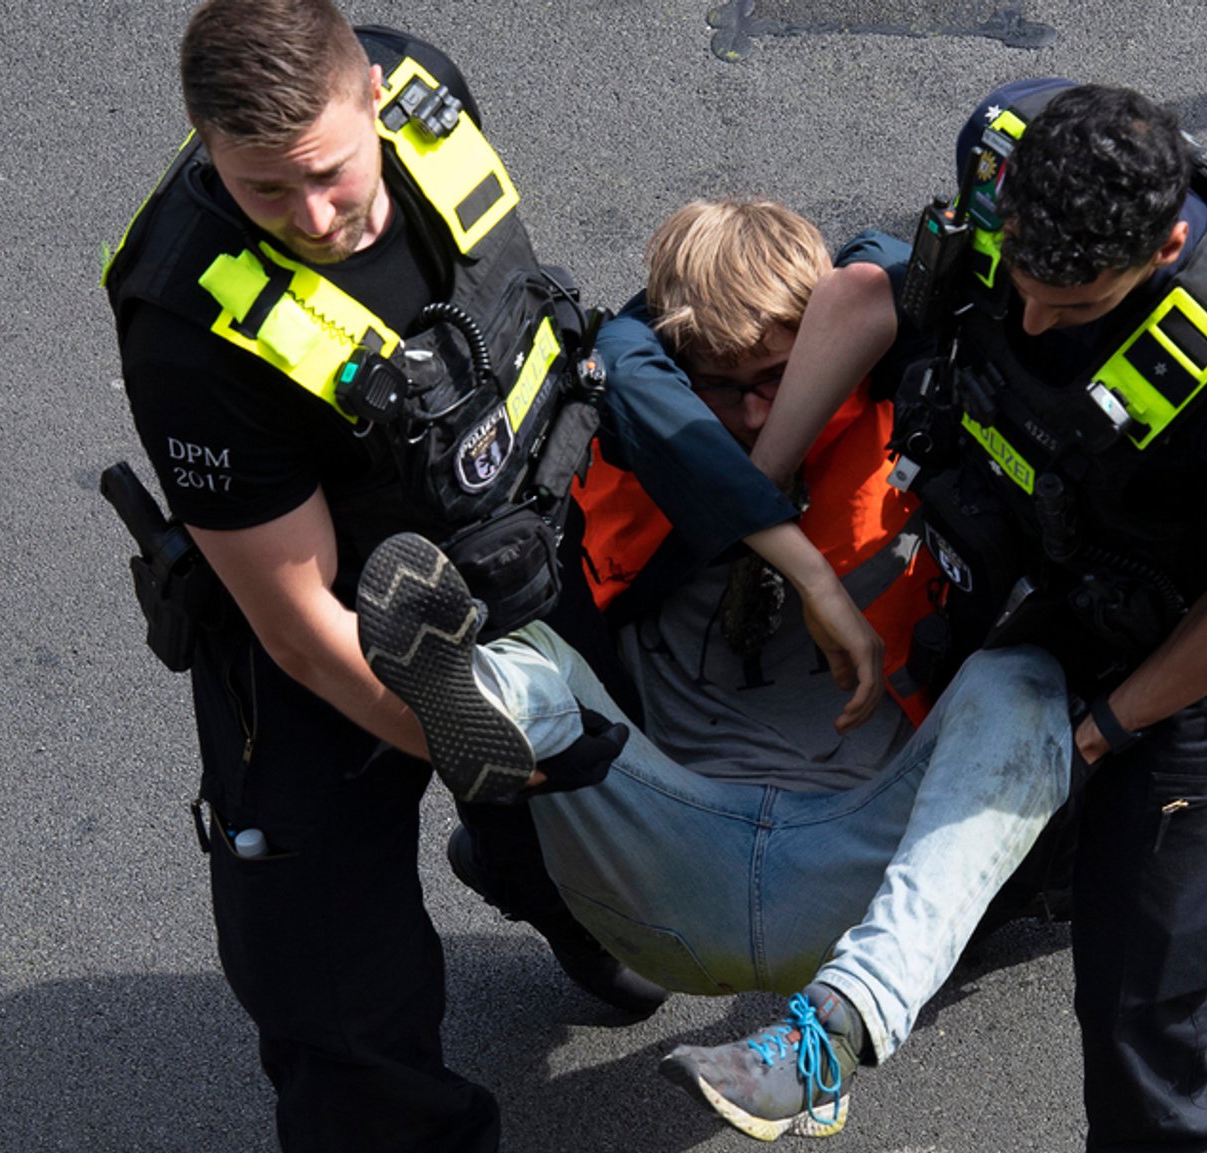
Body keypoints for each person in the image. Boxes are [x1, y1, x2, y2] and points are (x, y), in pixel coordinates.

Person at [354, 199, 1081, 1140]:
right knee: (537, 663)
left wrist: (778, 472)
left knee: (1023, 686)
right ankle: (484, 713)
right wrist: (795, 556)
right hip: (663, 852)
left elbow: (889, 279)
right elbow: (619, 345)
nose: (749, 413)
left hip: (851, 866)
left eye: (777, 378)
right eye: (720, 386)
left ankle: (834, 1029)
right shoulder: (630, 425)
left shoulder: (908, 398)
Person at [100, 1, 655, 1147]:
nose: (312, 219)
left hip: (514, 534)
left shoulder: (424, 89)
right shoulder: (186, 329)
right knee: (328, 980)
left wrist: (532, 779)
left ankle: (538, 869)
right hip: (344, 628)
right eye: (264, 191)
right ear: (205, 145)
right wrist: (463, 740)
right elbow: (300, 627)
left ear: (370, 100)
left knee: (608, 807)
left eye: (331, 176)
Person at [869, 81, 1207, 1150]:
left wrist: (1101, 732)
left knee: (1138, 995)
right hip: (1037, 534)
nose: (1032, 319)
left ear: (1166, 247)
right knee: (958, 784)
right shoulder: (1008, 146)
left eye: (1073, 308)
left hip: (1184, 620)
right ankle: (1015, 891)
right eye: (1021, 282)